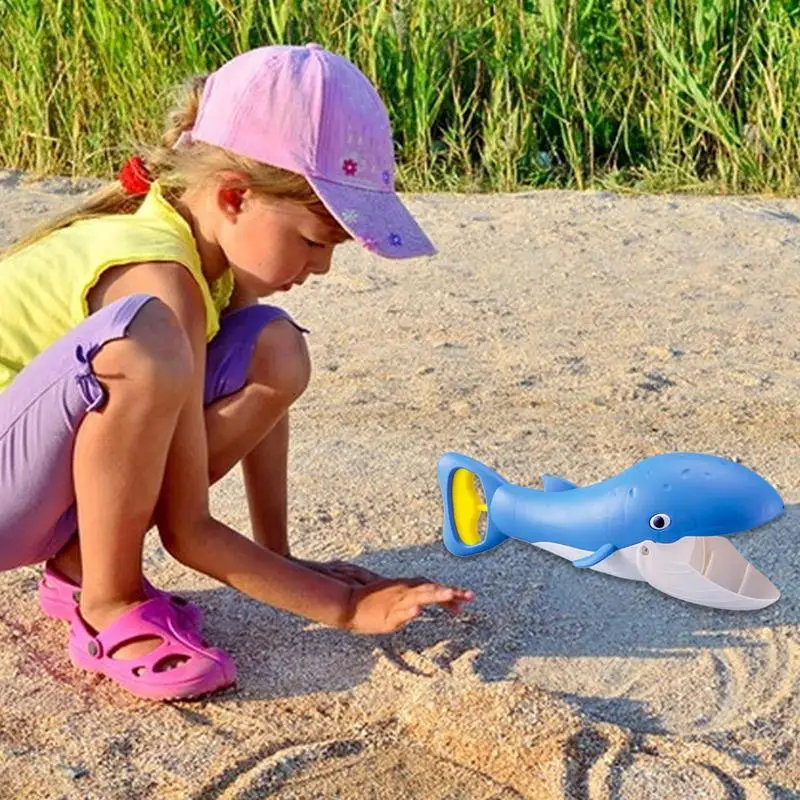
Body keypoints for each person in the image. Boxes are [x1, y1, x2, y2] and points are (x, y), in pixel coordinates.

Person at [0, 43, 473, 701]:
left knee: (273, 346)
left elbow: (213, 452)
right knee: (141, 345)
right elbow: (187, 529)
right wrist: (340, 607)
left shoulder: (211, 271)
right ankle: (106, 602)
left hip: (32, 488)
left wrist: (278, 558)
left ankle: (83, 564)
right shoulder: (160, 282)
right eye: (315, 240)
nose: (322, 267)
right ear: (233, 196)